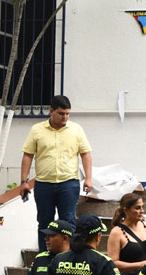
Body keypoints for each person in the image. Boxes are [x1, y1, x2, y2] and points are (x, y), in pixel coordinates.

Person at [20, 95, 93, 249]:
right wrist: (23, 182)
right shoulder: (37, 130)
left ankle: (69, 258)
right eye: (61, 113)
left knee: (68, 222)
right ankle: (44, 258)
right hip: (44, 184)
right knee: (45, 222)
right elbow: (28, 155)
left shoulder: (76, 129)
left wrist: (88, 178)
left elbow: (85, 154)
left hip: (68, 183)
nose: (65, 117)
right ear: (51, 111)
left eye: (67, 114)